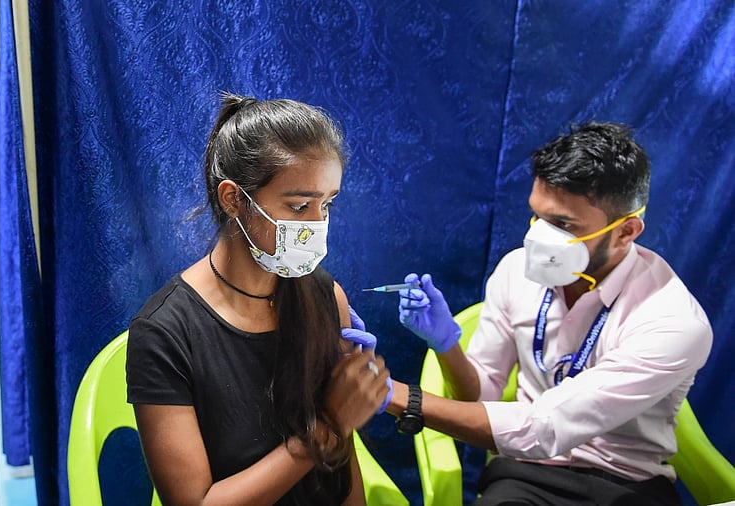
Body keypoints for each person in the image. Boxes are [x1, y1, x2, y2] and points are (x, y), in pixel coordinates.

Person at [354, 122, 713, 505]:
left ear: (626, 232)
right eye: (537, 217)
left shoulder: (672, 321)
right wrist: (447, 345)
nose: (539, 239)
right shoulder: (516, 270)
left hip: (626, 484)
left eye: (562, 225)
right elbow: (481, 395)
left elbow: (547, 428)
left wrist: (393, 395)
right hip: (525, 476)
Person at [126, 93, 391, 506]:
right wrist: (327, 427)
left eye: (328, 204)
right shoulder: (164, 334)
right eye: (300, 205)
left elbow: (343, 465)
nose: (318, 225)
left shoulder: (325, 297)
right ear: (233, 199)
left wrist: (347, 417)